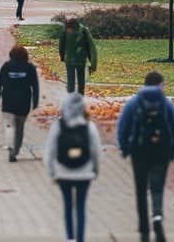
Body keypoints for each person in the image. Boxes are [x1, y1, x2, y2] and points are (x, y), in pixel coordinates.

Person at [117, 71, 174, 242]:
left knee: (140, 189)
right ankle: (157, 216)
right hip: (161, 151)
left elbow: (123, 127)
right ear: (161, 84)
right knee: (157, 187)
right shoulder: (166, 103)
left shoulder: (134, 103)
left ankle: (144, 226)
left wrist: (124, 148)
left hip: (139, 151)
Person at [45, 91, 103, 242]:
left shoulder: (58, 126)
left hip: (63, 172)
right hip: (84, 172)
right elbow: (96, 151)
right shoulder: (89, 127)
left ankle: (70, 237)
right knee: (81, 207)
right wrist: (95, 170)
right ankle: (80, 238)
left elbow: (50, 151)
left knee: (68, 206)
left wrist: (52, 172)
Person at [0, 44, 39, 161]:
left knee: (9, 127)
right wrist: (35, 101)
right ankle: (15, 151)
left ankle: (11, 148)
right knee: (19, 128)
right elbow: (35, 85)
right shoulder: (30, 68)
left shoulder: (6, 66)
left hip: (8, 102)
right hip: (23, 103)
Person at [59, 18, 98, 95]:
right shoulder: (84, 30)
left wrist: (63, 56)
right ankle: (79, 97)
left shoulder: (82, 31)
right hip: (79, 60)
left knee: (72, 81)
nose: (69, 31)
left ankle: (72, 99)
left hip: (73, 60)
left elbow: (61, 46)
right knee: (80, 81)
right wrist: (93, 64)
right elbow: (91, 47)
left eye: (69, 30)